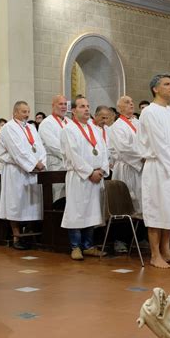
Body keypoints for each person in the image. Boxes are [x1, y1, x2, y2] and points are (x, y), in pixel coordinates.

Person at [138, 74, 170, 269]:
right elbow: (159, 144)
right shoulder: (150, 112)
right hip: (159, 168)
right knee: (157, 211)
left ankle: (167, 251)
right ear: (155, 89)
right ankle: (154, 254)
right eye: (167, 84)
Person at [60, 96, 109, 260]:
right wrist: (90, 172)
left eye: (88, 106)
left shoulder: (95, 129)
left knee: (92, 212)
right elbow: (73, 155)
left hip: (96, 176)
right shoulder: (69, 129)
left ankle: (88, 245)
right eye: (82, 106)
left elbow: (103, 150)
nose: (87, 109)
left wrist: (102, 169)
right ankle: (75, 246)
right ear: (73, 110)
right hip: (79, 177)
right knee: (77, 211)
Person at [0, 101, 47, 250]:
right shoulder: (8, 128)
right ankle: (16, 236)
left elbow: (40, 146)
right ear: (15, 112)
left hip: (33, 170)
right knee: (16, 202)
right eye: (24, 112)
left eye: (28, 111)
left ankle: (30, 234)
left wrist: (42, 162)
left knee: (32, 203)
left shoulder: (31, 128)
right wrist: (34, 163)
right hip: (16, 171)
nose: (27, 114)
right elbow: (17, 150)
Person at [110, 96, 143, 212]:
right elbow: (123, 148)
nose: (131, 104)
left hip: (142, 166)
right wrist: (142, 157)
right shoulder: (116, 126)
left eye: (132, 101)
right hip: (127, 167)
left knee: (143, 199)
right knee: (130, 201)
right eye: (127, 102)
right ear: (119, 108)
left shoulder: (138, 123)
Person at [38, 95, 71, 206]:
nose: (63, 107)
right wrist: (72, 155)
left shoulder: (69, 122)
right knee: (58, 197)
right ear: (53, 106)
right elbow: (54, 146)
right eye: (60, 104)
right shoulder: (47, 123)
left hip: (70, 163)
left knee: (70, 197)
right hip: (55, 164)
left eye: (65, 104)